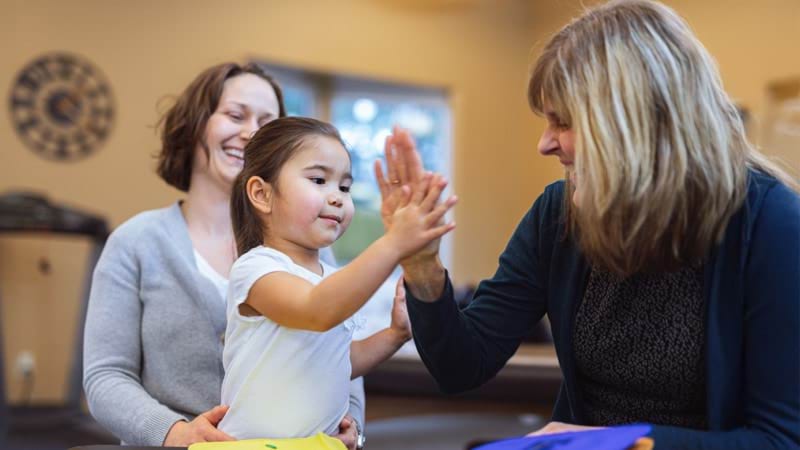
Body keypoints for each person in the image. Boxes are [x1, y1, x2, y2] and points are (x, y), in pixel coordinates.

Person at [376, 1, 800, 449]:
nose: (544, 143)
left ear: (634, 124)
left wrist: (620, 442)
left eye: (563, 122)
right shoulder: (557, 213)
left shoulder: (770, 224)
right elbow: (460, 366)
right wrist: (422, 266)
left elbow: (780, 440)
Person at [82, 63, 364, 448]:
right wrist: (176, 433)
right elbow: (106, 377)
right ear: (196, 124)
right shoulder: (138, 241)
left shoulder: (313, 249)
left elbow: (338, 356)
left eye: (266, 123)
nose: (250, 132)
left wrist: (354, 426)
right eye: (235, 115)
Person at [217, 117, 456, 440]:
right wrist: (395, 242)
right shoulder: (256, 268)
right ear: (261, 194)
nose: (337, 197)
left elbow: (338, 359)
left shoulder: (331, 279)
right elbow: (316, 311)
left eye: (345, 187)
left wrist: (395, 335)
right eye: (318, 180)